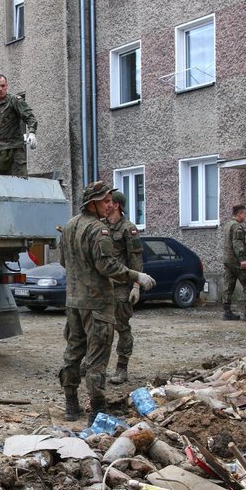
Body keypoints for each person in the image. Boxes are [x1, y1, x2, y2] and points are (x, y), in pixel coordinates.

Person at [59, 181, 156, 423]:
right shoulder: (98, 230)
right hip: (97, 303)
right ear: (92, 203)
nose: (109, 204)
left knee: (73, 353)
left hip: (74, 300)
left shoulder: (70, 225)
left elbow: (63, 261)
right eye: (104, 201)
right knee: (96, 359)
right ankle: (98, 410)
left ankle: (71, 404)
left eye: (110, 201)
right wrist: (137, 277)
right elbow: (107, 266)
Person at [105, 190, 144, 385]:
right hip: (102, 286)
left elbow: (135, 258)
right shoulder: (101, 226)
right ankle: (94, 364)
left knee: (122, 327)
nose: (105, 204)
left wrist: (136, 285)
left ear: (116, 205)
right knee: (99, 327)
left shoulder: (129, 229)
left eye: (109, 201)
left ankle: (122, 367)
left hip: (121, 287)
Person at [0, 74, 37, 177]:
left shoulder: (14, 101)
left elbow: (29, 117)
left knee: (20, 182)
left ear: (7, 86)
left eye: (3, 86)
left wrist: (32, 133)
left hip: (14, 150)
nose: (1, 89)